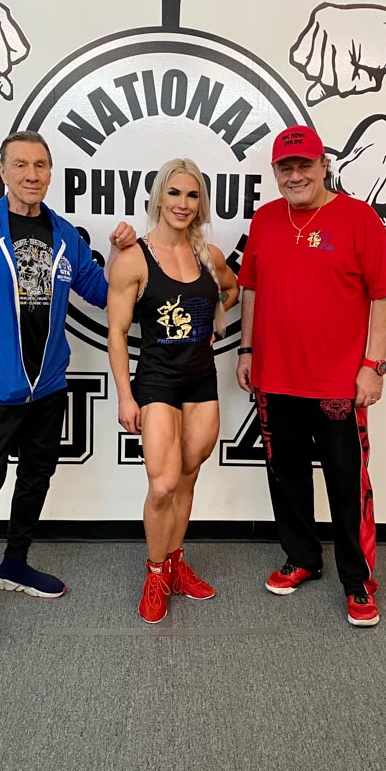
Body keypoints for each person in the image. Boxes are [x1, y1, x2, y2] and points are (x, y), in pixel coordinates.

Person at [0, 129, 136, 648]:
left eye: (40, 165)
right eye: (20, 164)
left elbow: (103, 294)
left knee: (36, 478)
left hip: (47, 388)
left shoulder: (63, 235)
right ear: (2, 171)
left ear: (49, 172)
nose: (31, 174)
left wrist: (119, 255)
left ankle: (15, 564)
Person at [236, 125, 386, 627]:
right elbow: (250, 289)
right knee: (286, 479)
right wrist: (246, 349)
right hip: (275, 378)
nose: (295, 175)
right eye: (285, 168)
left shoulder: (359, 218)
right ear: (275, 172)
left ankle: (357, 580)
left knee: (347, 486)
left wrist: (373, 366)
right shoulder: (266, 219)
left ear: (323, 165)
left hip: (338, 386)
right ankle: (303, 557)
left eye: (304, 165)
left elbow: (385, 294)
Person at [107, 158, 238, 624]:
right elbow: (117, 333)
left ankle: (177, 562)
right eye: (175, 193)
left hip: (201, 381)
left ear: (201, 203)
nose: (183, 203)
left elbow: (231, 289)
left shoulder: (209, 255)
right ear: (159, 198)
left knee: (187, 475)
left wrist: (212, 320)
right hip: (157, 381)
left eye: (193, 195)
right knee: (162, 485)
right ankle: (156, 572)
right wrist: (126, 396)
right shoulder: (134, 258)